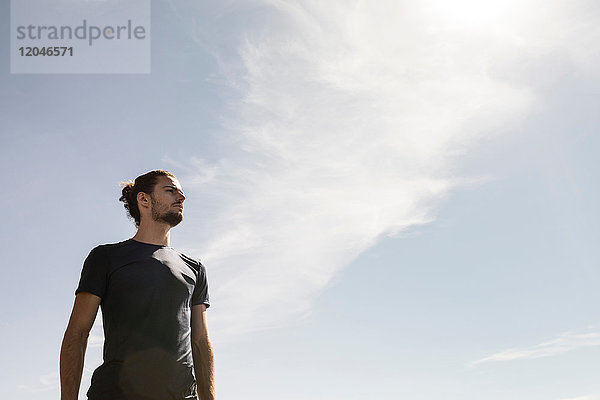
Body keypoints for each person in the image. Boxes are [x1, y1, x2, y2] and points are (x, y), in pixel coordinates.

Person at [59, 170, 215, 400]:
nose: (181, 198)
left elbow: (200, 342)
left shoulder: (195, 268)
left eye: (182, 194)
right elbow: (78, 333)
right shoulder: (106, 257)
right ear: (144, 199)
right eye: (170, 191)